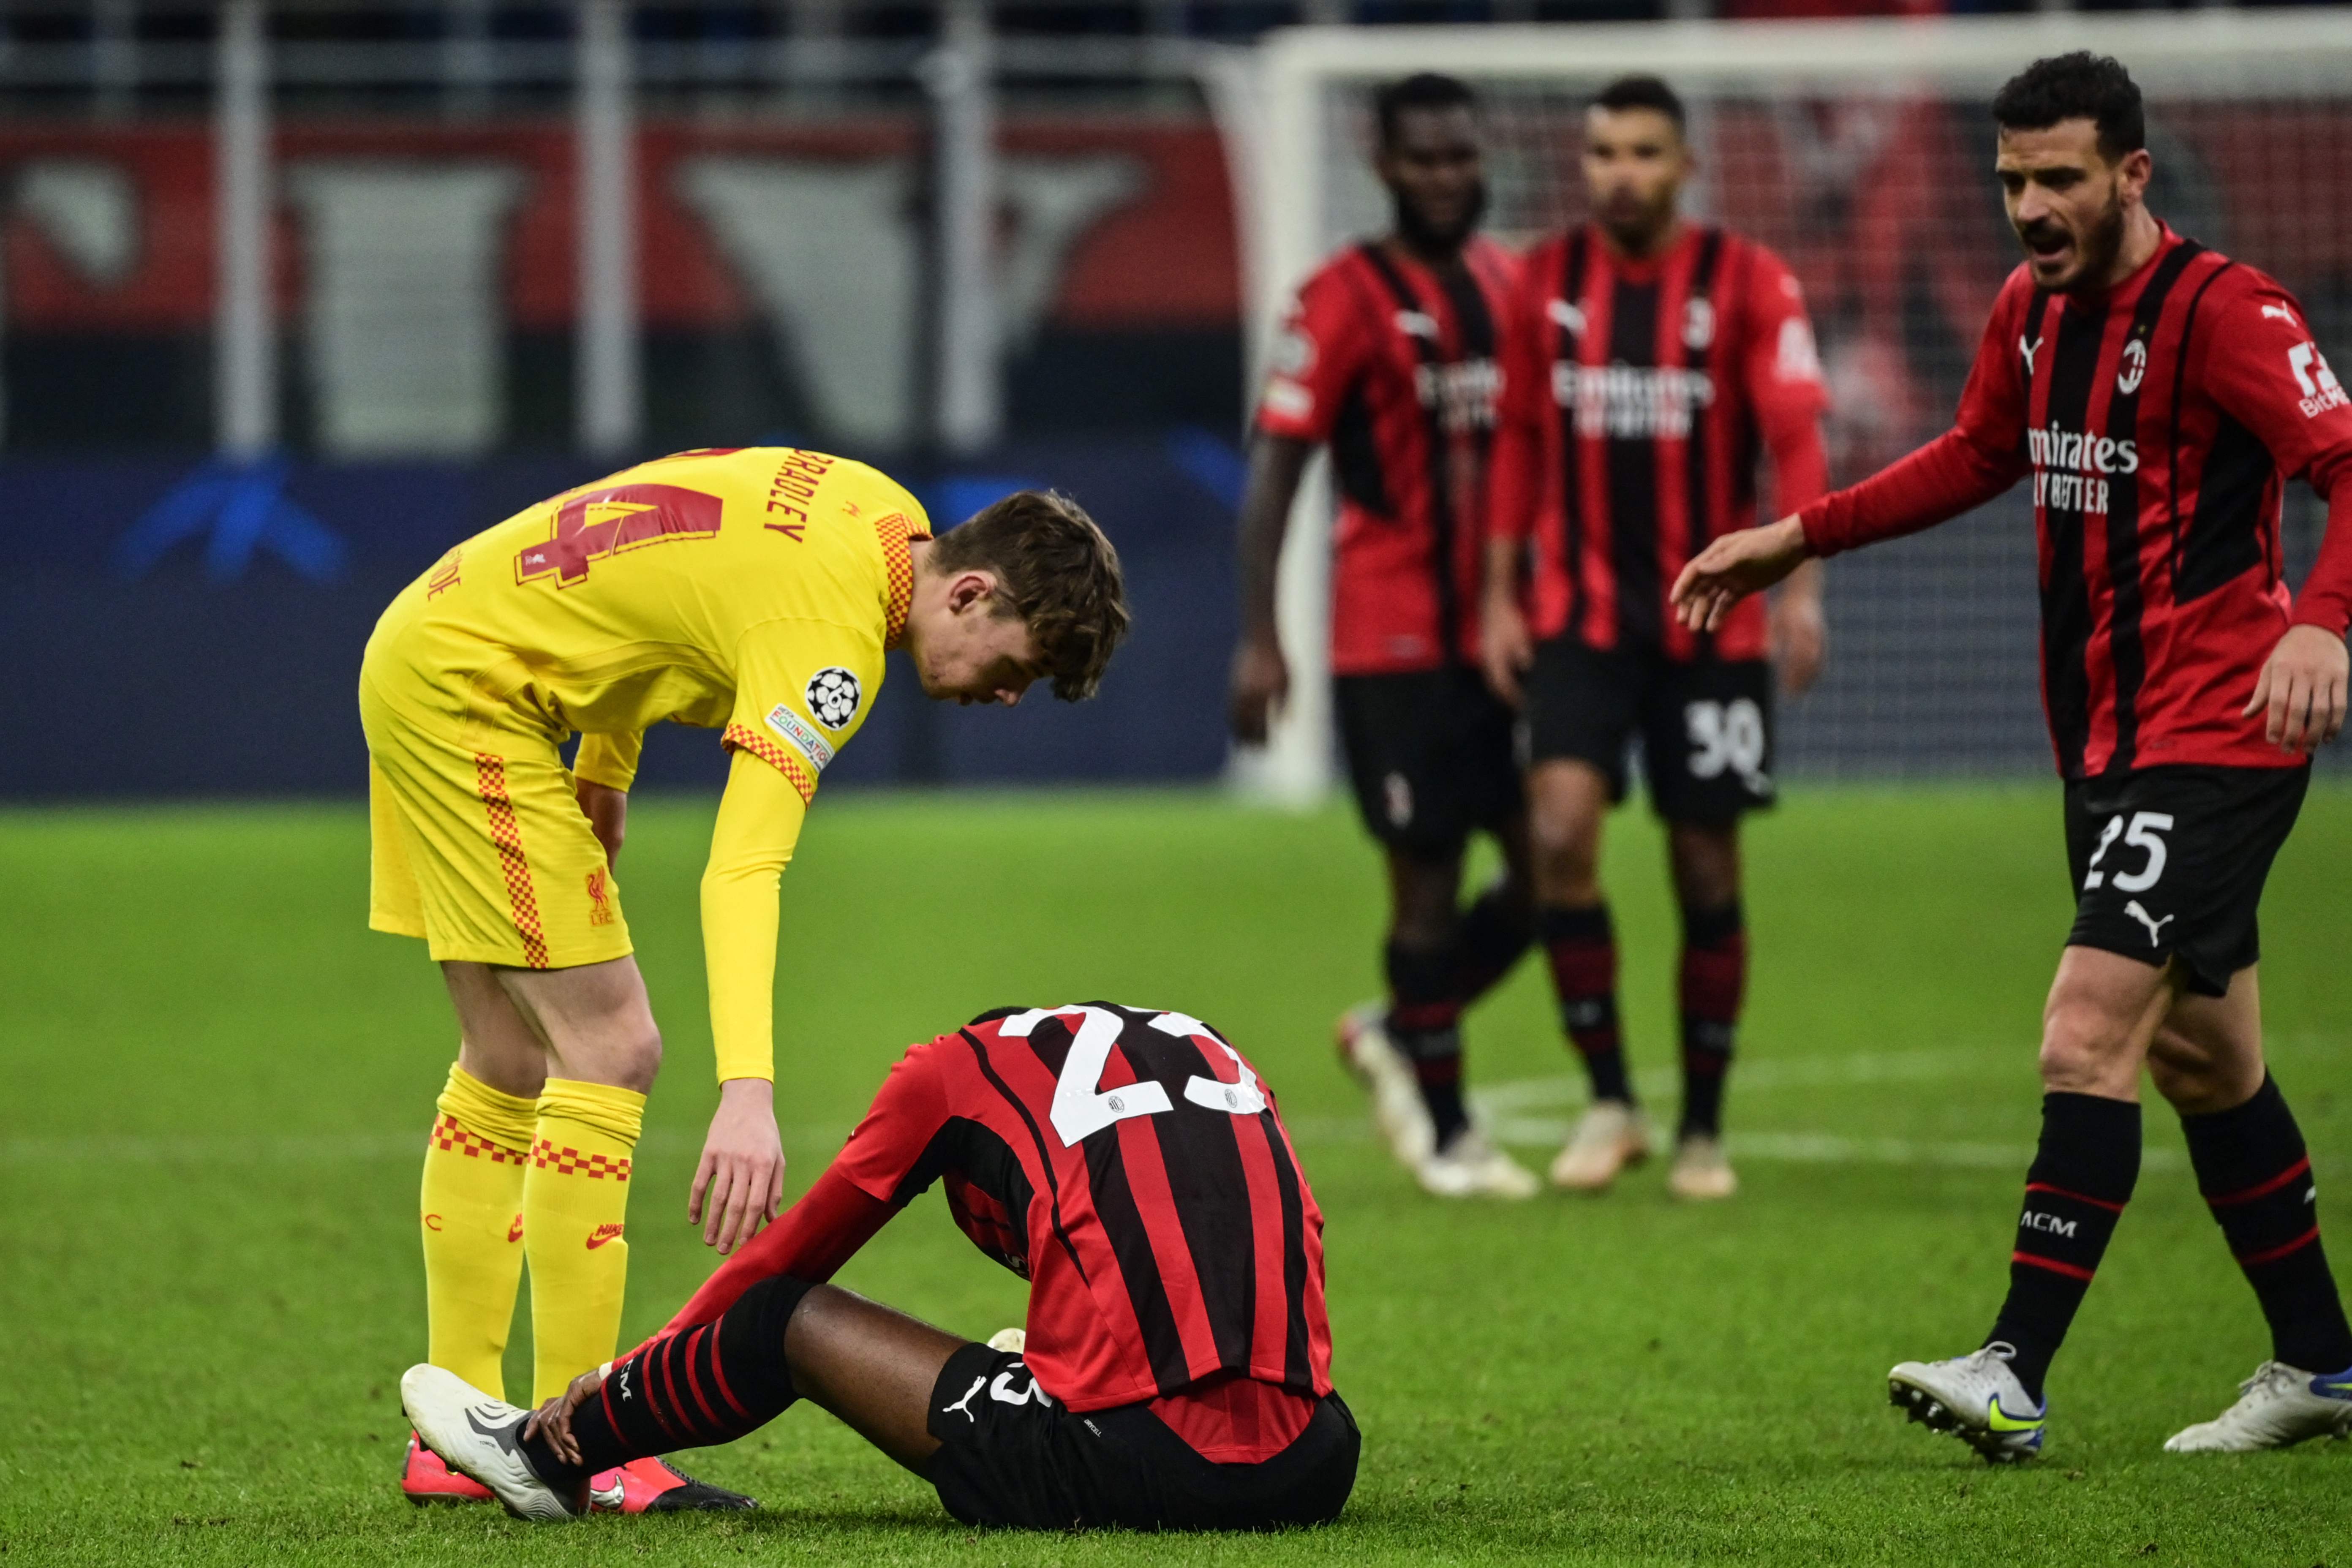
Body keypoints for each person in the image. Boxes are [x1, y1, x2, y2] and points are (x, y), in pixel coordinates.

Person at [1672, 52, 2352, 1459]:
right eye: (2010, 181)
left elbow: (2345, 463)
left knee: (2082, 1033)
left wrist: (2321, 624)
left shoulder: (2226, 312)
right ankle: (2321, 1365)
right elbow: (1977, 451)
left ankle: (2012, 1370)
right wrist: (1794, 536)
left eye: (2059, 179)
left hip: (2217, 729)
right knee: (2202, 1059)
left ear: (2131, 175)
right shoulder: (2027, 312)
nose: (2031, 207)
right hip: (2104, 740)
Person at [365, 449, 1128, 1506]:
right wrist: (747, 1091)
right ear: (969, 591)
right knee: (612, 1048)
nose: (1007, 696)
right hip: (476, 699)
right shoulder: (833, 640)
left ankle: (453, 1433)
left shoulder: (875, 511)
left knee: (505, 1055)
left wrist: (604, 766)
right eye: (1019, 665)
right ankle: (580, 1447)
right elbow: (742, 868)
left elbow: (647, 554)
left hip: (433, 643)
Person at [401, 1001, 1358, 1531]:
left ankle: (541, 1453)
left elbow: (785, 1259)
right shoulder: (1213, 1048)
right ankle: (1058, 1382)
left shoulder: (949, 1072)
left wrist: (618, 1380)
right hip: (1317, 1460)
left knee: (785, 1319)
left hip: (1130, 1462)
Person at [1481, 75, 1832, 1200]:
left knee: (1705, 862)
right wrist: (1498, 595)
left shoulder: (1750, 280)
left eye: (1642, 151)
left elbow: (1797, 443)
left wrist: (1801, 590)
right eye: (1603, 153)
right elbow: (1517, 442)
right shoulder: (1544, 281)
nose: (1620, 173)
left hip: (1711, 623)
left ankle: (1703, 1130)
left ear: (1686, 165)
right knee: (1560, 834)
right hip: (1579, 619)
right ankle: (1611, 1101)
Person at [1232, 72, 1539, 1200]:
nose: (1446, 177)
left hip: (1504, 636)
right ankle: (1451, 1134)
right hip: (1391, 643)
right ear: (1384, 165)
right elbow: (1276, 470)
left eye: (1462, 155)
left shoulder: (1512, 284)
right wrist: (1261, 636)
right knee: (1427, 878)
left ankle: (1399, 1029)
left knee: (1553, 869)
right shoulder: (1339, 299)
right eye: (1424, 158)